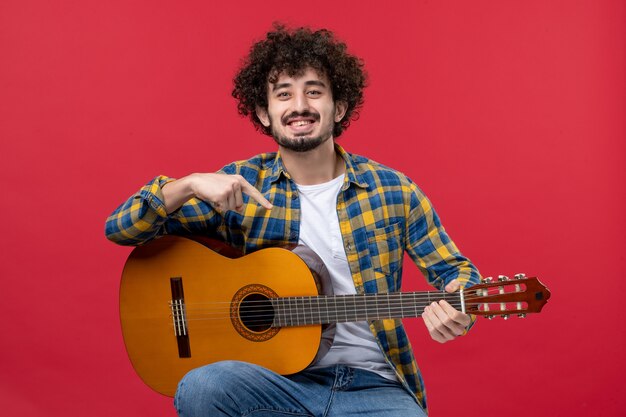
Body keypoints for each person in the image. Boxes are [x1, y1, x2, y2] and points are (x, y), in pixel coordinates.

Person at [105, 24, 480, 417]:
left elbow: (459, 273)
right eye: (284, 94)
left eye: (313, 91)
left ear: (339, 108)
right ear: (265, 113)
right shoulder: (239, 187)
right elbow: (121, 229)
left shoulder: (393, 191)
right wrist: (187, 185)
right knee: (202, 386)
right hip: (274, 384)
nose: (299, 105)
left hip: (374, 386)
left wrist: (462, 309)